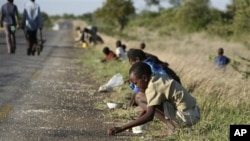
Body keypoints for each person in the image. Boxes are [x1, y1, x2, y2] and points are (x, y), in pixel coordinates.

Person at [107, 62, 200, 135]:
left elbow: (150, 115)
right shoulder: (156, 77)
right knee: (140, 96)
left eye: (136, 83)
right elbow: (149, 105)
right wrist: (134, 123)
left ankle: (173, 127)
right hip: (194, 112)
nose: (136, 86)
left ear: (144, 78)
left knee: (138, 96)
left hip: (187, 117)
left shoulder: (153, 87)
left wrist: (122, 128)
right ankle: (173, 125)